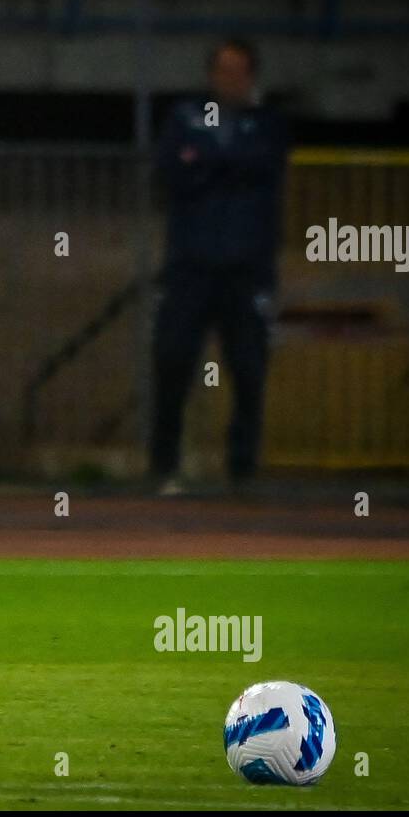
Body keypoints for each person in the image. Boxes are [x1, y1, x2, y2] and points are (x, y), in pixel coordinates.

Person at [149, 38, 288, 494]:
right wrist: (227, 167)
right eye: (224, 71)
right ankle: (164, 469)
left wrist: (207, 163)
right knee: (172, 364)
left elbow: (265, 164)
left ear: (252, 76)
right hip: (190, 268)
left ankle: (242, 474)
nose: (231, 80)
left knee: (249, 371)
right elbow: (171, 169)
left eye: (240, 71)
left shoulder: (267, 121)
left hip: (246, 272)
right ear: (211, 75)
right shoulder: (185, 117)